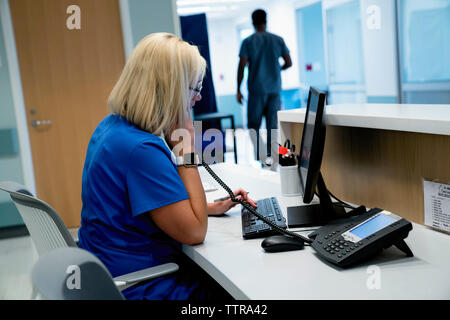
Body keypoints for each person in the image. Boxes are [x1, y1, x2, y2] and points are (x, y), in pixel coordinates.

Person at [77, 33, 257, 300]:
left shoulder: (112, 127)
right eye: (194, 88)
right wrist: (185, 150)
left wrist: (206, 208)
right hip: (143, 286)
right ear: (170, 88)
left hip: (111, 273)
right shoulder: (141, 150)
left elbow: (137, 205)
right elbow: (195, 232)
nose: (197, 98)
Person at [237, 9, 292, 165]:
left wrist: (238, 89)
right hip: (274, 90)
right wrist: (276, 69)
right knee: (272, 127)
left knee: (253, 125)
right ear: (266, 21)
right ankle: (272, 157)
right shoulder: (278, 40)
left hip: (256, 91)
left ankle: (261, 156)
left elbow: (241, 66)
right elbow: (289, 62)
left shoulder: (248, 42)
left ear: (253, 23)